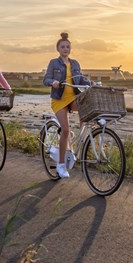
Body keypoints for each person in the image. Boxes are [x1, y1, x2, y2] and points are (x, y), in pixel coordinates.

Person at [43, 32, 91, 178]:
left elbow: (81, 80)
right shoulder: (54, 63)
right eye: (62, 47)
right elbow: (46, 80)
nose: (65, 49)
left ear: (70, 49)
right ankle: (61, 164)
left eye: (67, 47)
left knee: (87, 109)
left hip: (72, 98)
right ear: (58, 49)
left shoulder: (75, 63)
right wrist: (53, 82)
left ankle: (79, 141)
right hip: (59, 100)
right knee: (65, 130)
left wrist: (92, 84)